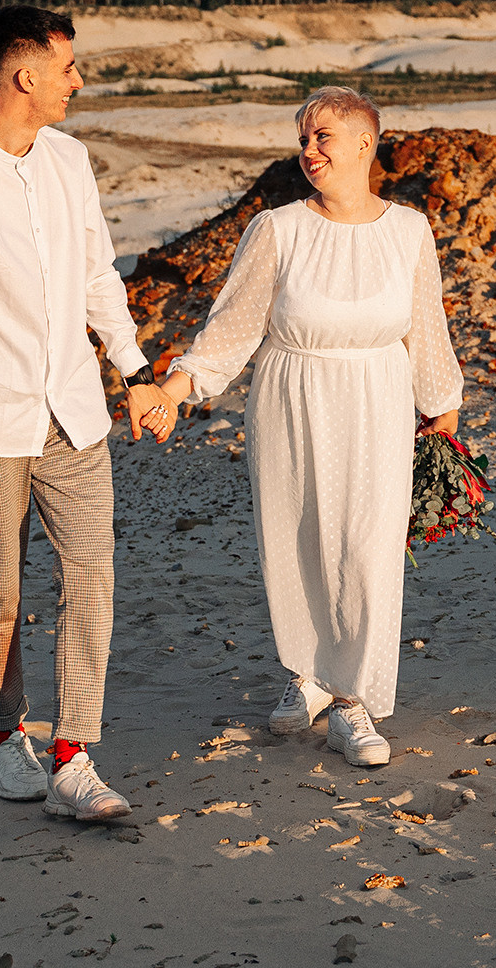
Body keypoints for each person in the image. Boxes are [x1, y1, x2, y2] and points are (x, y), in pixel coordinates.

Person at [0, 3, 175, 821]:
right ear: (25, 76)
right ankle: (3, 736)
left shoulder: (70, 159)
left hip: (75, 415)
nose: (77, 82)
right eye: (68, 69)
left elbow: (97, 278)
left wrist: (135, 372)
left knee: (92, 575)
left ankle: (74, 750)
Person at [153, 86, 462, 766]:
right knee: (297, 539)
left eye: (322, 136)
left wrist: (443, 402)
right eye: (302, 138)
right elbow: (230, 329)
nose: (309, 150)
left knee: (366, 546)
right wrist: (175, 389)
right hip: (291, 395)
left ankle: (354, 704)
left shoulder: (409, 230)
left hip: (376, 396)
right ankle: (311, 675)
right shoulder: (277, 228)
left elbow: (426, 325)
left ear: (363, 144)